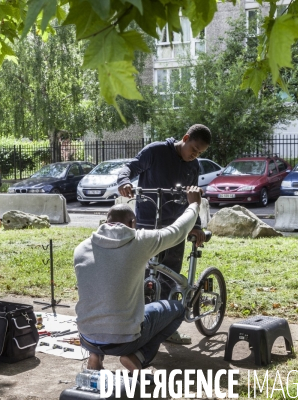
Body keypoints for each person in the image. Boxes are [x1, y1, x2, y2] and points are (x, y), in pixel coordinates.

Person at [74, 187, 202, 373]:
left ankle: (95, 358)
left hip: (86, 338)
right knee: (177, 309)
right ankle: (137, 356)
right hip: (125, 342)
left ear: (105, 222)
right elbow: (178, 231)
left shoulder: (80, 248)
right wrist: (194, 204)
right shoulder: (139, 241)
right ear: (133, 222)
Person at [116, 124, 211, 345]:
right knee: (141, 276)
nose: (195, 156)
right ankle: (136, 325)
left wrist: (195, 225)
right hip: (147, 227)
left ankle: (167, 329)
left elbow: (193, 199)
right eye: (194, 149)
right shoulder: (156, 151)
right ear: (185, 138)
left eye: (200, 153)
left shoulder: (193, 166)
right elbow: (129, 168)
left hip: (176, 229)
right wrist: (124, 182)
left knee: (169, 279)